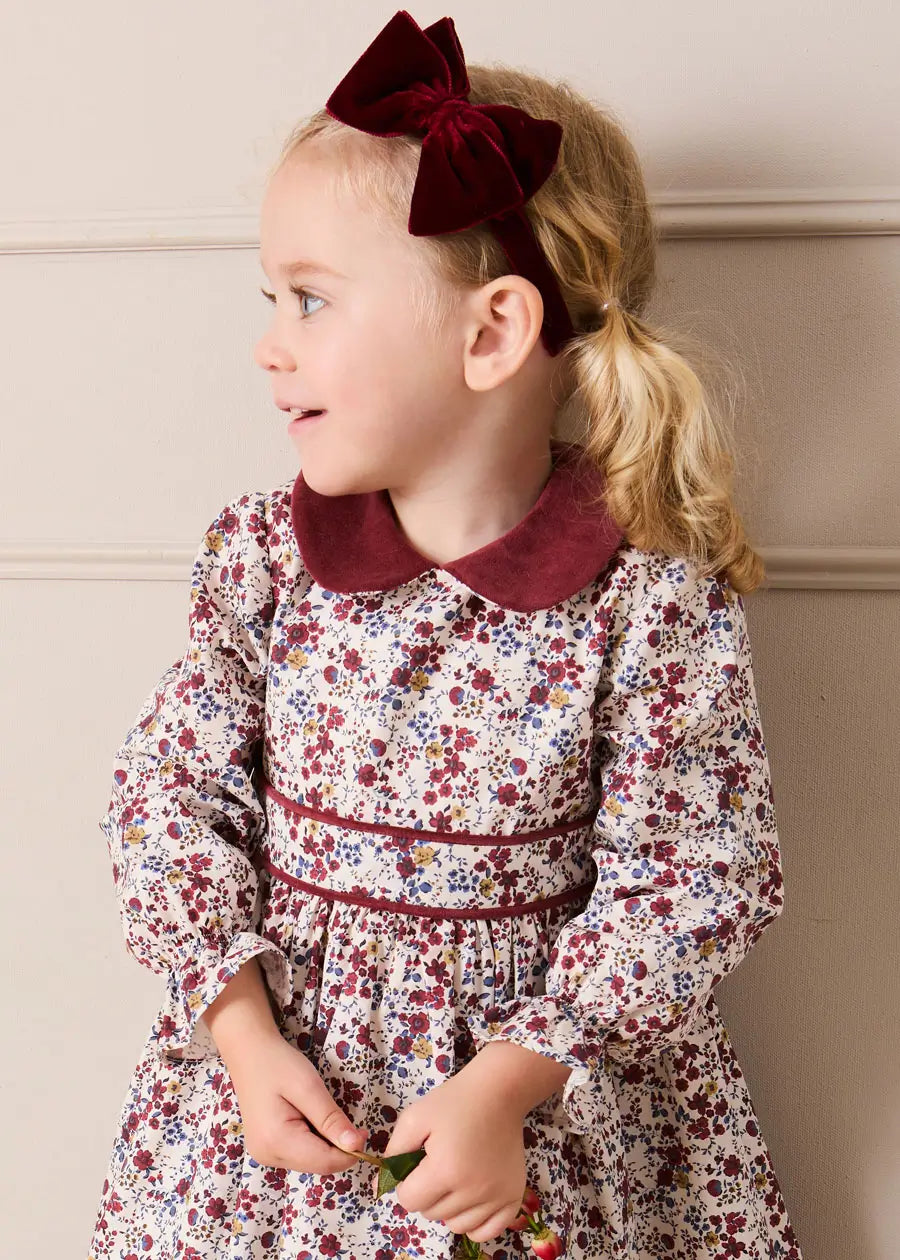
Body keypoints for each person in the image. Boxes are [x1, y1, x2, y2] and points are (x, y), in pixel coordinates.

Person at [88, 10, 804, 1259]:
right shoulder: (264, 561)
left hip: (533, 1125)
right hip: (276, 1125)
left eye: (311, 299)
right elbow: (168, 798)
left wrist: (508, 1084)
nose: (269, 345)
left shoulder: (646, 602)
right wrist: (242, 1036)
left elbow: (694, 873)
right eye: (273, 298)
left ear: (492, 332)